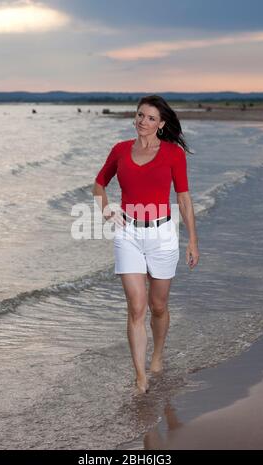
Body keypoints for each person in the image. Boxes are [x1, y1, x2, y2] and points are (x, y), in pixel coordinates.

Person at [92, 95, 199, 394]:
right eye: (140, 115)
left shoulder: (173, 153)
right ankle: (141, 377)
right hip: (128, 235)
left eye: (151, 118)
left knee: (158, 306)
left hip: (162, 234)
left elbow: (184, 198)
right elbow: (99, 183)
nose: (143, 121)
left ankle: (157, 355)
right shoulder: (120, 150)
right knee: (136, 308)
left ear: (161, 124)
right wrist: (106, 209)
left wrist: (192, 240)